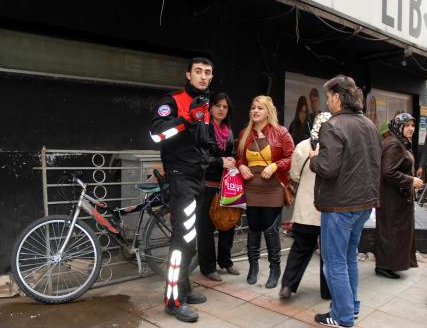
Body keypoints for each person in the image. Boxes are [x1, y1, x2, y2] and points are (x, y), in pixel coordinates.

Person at [309, 75, 381, 328]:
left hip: (340, 206)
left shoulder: (333, 125)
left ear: (338, 97)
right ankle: (351, 308)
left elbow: (327, 168)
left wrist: (314, 157)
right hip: (363, 204)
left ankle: (343, 316)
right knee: (349, 257)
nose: (327, 101)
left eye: (329, 96)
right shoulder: (370, 125)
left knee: (334, 262)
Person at [150, 57, 214, 323]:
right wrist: (186, 119)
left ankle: (184, 289)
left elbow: (202, 144)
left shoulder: (205, 105)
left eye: (207, 73)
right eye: (197, 71)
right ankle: (173, 300)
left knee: (190, 238)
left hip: (196, 178)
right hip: (180, 178)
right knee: (182, 241)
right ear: (188, 75)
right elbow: (156, 134)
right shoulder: (173, 101)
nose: (202, 76)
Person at [237, 95, 294, 289]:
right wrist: (241, 166)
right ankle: (253, 267)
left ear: (268, 111)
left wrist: (275, 166)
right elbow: (239, 159)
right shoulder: (245, 132)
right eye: (253, 107)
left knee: (270, 230)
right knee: (253, 228)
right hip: (252, 187)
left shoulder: (281, 132)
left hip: (273, 189)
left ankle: (274, 269)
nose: (255, 111)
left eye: (260, 108)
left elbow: (291, 157)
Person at [279, 112, 332, 300]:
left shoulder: (302, 146)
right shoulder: (336, 147)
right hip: (329, 209)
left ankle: (288, 285)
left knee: (301, 248)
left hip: (306, 208)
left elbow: (294, 175)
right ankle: (328, 291)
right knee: (329, 252)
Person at [196, 92, 240, 282]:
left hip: (226, 184)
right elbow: (200, 156)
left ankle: (226, 261)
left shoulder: (228, 131)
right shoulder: (204, 128)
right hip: (206, 184)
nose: (221, 109)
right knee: (205, 227)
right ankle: (208, 267)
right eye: (218, 105)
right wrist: (219, 162)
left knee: (227, 223)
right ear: (211, 107)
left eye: (225, 107)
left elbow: (231, 152)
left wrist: (231, 159)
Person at [375, 113, 424, 279]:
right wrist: (411, 180)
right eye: (408, 125)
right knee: (390, 231)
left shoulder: (400, 142)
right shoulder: (394, 144)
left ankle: (391, 264)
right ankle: (383, 266)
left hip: (398, 197)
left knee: (396, 232)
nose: (411, 129)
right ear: (399, 126)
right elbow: (388, 172)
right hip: (391, 198)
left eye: (413, 125)